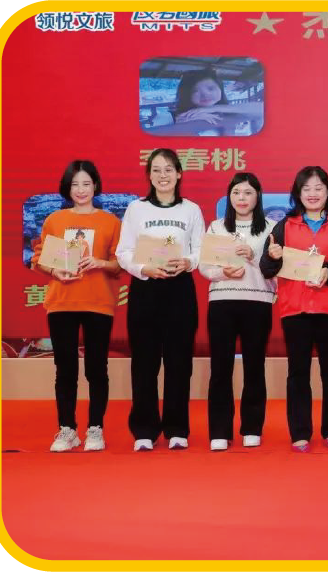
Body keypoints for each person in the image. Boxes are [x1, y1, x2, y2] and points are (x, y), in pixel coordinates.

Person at [261, 166, 328, 452]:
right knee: (298, 372)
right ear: (297, 193)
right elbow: (267, 268)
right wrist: (273, 256)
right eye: (306, 189)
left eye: (318, 188)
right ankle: (300, 432)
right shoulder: (285, 226)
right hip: (295, 309)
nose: (312, 194)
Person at [116, 148, 204, 452]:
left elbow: (200, 249)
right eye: (156, 170)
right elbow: (123, 251)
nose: (163, 175)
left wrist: (188, 262)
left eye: (168, 169)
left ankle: (177, 428)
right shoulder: (136, 209)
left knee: (179, 362)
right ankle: (144, 429)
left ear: (179, 173)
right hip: (146, 288)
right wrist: (144, 269)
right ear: (149, 175)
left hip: (180, 289)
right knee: (144, 362)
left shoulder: (191, 209)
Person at [31, 160, 121, 452]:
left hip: (98, 302)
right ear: (67, 188)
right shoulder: (55, 220)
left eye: (86, 183)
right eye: (74, 184)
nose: (81, 190)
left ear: (96, 185)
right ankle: (67, 429)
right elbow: (39, 259)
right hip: (62, 302)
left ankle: (96, 428)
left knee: (97, 368)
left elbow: (119, 264)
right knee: (65, 369)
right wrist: (54, 271)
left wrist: (100, 262)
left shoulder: (110, 222)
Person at [198, 173, 277, 452]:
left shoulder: (271, 228)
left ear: (258, 196)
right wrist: (223, 273)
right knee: (221, 368)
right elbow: (204, 266)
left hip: (258, 302)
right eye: (236, 193)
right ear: (229, 197)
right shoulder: (217, 227)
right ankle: (219, 431)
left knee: (255, 366)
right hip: (222, 302)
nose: (241, 198)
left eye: (248, 193)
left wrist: (253, 257)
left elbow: (276, 270)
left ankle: (252, 427)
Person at [146, 69, 264, 136]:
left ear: (220, 89)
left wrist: (212, 109)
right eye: (195, 91)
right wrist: (181, 127)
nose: (205, 95)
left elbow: (262, 109)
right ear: (186, 94)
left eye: (211, 88)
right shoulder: (168, 117)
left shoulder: (229, 112)